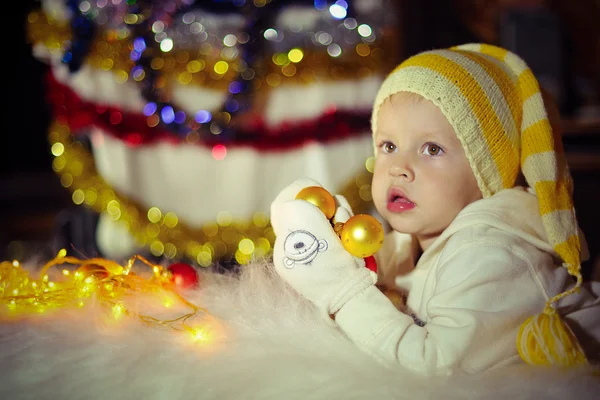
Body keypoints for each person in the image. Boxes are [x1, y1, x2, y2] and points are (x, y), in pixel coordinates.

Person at [269, 43, 600, 375]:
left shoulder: (492, 254)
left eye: (431, 149)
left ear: (486, 172)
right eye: (389, 146)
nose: (399, 167)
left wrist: (342, 290)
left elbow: (438, 372)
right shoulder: (404, 243)